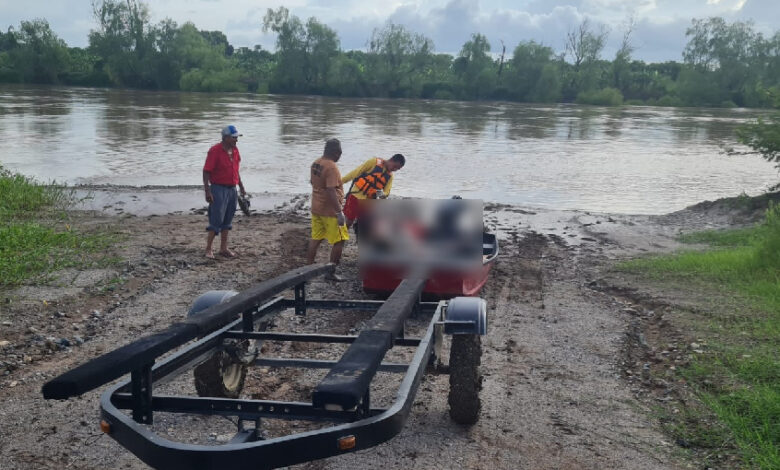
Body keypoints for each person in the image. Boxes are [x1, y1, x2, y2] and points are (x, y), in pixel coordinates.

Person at [306, 138, 349, 280]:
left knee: (316, 238)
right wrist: (339, 213)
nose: (340, 156)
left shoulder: (316, 163)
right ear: (337, 152)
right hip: (329, 211)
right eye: (340, 153)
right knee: (340, 240)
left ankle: (308, 268)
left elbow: (312, 182)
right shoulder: (331, 167)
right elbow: (331, 190)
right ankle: (331, 272)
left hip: (316, 207)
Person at [202, 125, 247, 259]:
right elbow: (206, 171)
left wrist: (242, 187)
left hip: (232, 189)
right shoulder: (215, 151)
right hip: (218, 188)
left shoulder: (235, 151)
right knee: (216, 219)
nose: (236, 140)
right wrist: (207, 191)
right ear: (226, 137)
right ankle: (208, 249)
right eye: (234, 138)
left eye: (237, 137)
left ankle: (223, 248)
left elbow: (236, 170)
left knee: (228, 218)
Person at [341, 153, 405, 233]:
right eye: (394, 166)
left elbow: (387, 192)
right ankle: (339, 238)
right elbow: (356, 172)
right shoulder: (373, 162)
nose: (394, 169)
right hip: (355, 196)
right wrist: (341, 181)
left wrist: (382, 194)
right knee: (348, 221)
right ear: (391, 160)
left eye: (397, 169)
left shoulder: (390, 177)